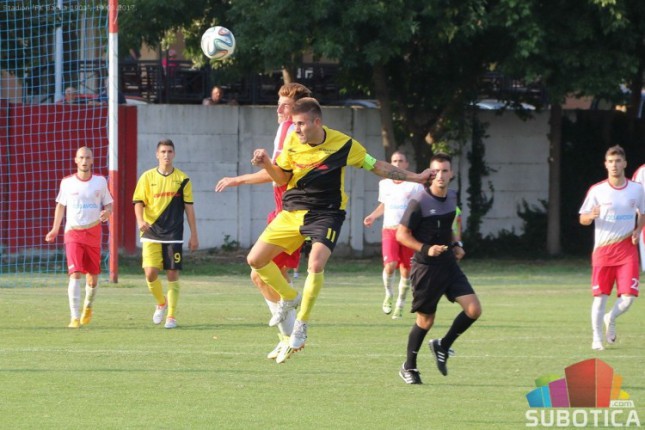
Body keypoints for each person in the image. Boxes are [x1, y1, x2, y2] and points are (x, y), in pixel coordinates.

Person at [247, 97, 434, 361]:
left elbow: (377, 166)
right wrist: (267, 163)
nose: (296, 129)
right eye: (294, 124)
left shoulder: (344, 144)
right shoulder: (292, 141)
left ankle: (301, 324)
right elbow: (282, 177)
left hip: (326, 213)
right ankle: (289, 296)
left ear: (317, 122)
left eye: (301, 124)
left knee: (315, 263)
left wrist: (416, 177)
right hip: (292, 212)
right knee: (255, 260)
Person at [215, 83, 312, 363]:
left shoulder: (290, 130)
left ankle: (293, 333)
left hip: (291, 213)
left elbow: (279, 174)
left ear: (297, 110)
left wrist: (240, 178)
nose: (279, 109)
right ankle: (289, 337)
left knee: (259, 273)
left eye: (285, 105)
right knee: (268, 275)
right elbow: (277, 172)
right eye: (278, 103)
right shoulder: (292, 130)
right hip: (285, 210)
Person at [396, 152, 482, 384]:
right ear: (430, 174)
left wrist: (456, 244)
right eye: (436, 171)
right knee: (426, 320)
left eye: (445, 171)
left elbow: (448, 228)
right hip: (426, 268)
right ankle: (409, 366)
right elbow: (401, 235)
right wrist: (426, 249)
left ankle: (442, 345)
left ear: (451, 173)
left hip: (448, 264)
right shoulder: (419, 202)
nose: (440, 176)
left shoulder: (452, 197)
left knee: (474, 309)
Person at [579, 145, 645, 350]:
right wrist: (591, 216)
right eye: (610, 161)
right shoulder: (597, 190)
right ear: (605, 165)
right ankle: (597, 339)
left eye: (618, 161)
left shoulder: (636, 189)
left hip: (627, 250)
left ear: (624, 163)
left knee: (628, 299)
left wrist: (638, 229)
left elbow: (642, 212)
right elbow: (583, 219)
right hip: (603, 252)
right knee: (600, 299)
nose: (614, 165)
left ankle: (611, 317)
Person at [133, 139, 199, 329]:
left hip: (174, 234)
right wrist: (140, 221)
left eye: (169, 151)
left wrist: (194, 234)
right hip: (151, 232)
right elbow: (138, 202)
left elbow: (189, 208)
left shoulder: (183, 179)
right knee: (150, 273)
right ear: (157, 154)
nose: (166, 155)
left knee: (172, 273)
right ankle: (161, 303)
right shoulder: (146, 177)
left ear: (174, 154)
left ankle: (171, 316)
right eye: (163, 152)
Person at [45, 147, 113, 328]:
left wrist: (107, 212)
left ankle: (88, 306)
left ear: (92, 160)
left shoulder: (100, 181)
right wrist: (55, 229)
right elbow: (60, 206)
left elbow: (109, 203)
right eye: (81, 157)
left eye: (87, 158)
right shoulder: (67, 183)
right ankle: (74, 317)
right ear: (76, 160)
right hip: (73, 232)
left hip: (93, 232)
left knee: (92, 278)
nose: (84, 161)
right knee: (74, 273)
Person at [363, 151, 423, 319]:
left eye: (400, 160)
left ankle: (400, 304)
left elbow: (420, 207)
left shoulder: (414, 185)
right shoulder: (384, 184)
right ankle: (388, 294)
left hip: (407, 231)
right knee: (390, 264)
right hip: (389, 229)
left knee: (406, 270)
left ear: (406, 164)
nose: (397, 163)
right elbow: (384, 204)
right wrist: (373, 216)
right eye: (394, 161)